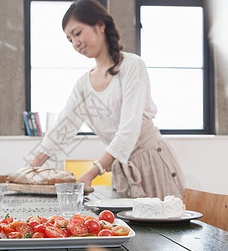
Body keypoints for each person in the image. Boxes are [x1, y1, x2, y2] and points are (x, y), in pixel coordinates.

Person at [29, 0, 185, 199]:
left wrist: (93, 171)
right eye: (69, 40)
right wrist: (29, 171)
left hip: (152, 162)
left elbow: (128, 131)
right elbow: (61, 129)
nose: (75, 43)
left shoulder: (132, 66)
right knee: (126, 230)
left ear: (101, 25)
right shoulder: (84, 84)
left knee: (162, 228)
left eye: (77, 33)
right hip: (121, 167)